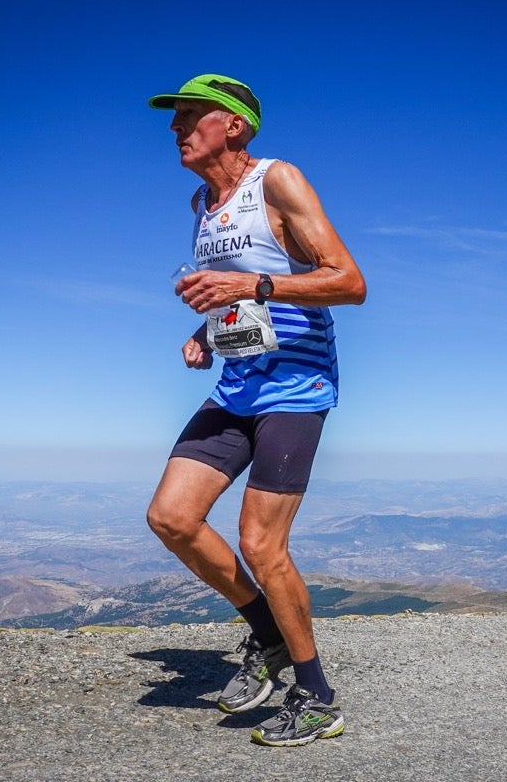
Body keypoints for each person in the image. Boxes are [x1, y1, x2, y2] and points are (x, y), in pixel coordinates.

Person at [144, 74, 366, 746]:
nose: (177, 129)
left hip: (295, 390)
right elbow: (238, 305)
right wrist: (203, 332)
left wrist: (253, 282)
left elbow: (349, 283)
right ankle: (267, 637)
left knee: (262, 545)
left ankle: (318, 697)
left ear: (233, 125)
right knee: (172, 518)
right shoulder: (202, 203)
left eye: (190, 116)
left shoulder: (278, 181)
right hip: (237, 386)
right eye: (175, 119)